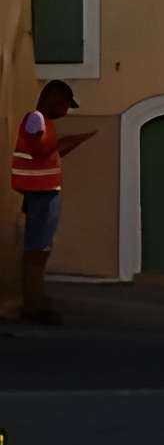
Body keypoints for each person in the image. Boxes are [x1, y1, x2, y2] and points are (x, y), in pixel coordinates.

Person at [11, 80, 96, 324]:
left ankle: (36, 299)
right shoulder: (36, 120)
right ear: (53, 98)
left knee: (40, 249)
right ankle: (33, 305)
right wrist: (76, 140)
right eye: (65, 104)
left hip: (41, 192)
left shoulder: (42, 122)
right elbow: (43, 151)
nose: (66, 111)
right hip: (41, 193)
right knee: (37, 251)